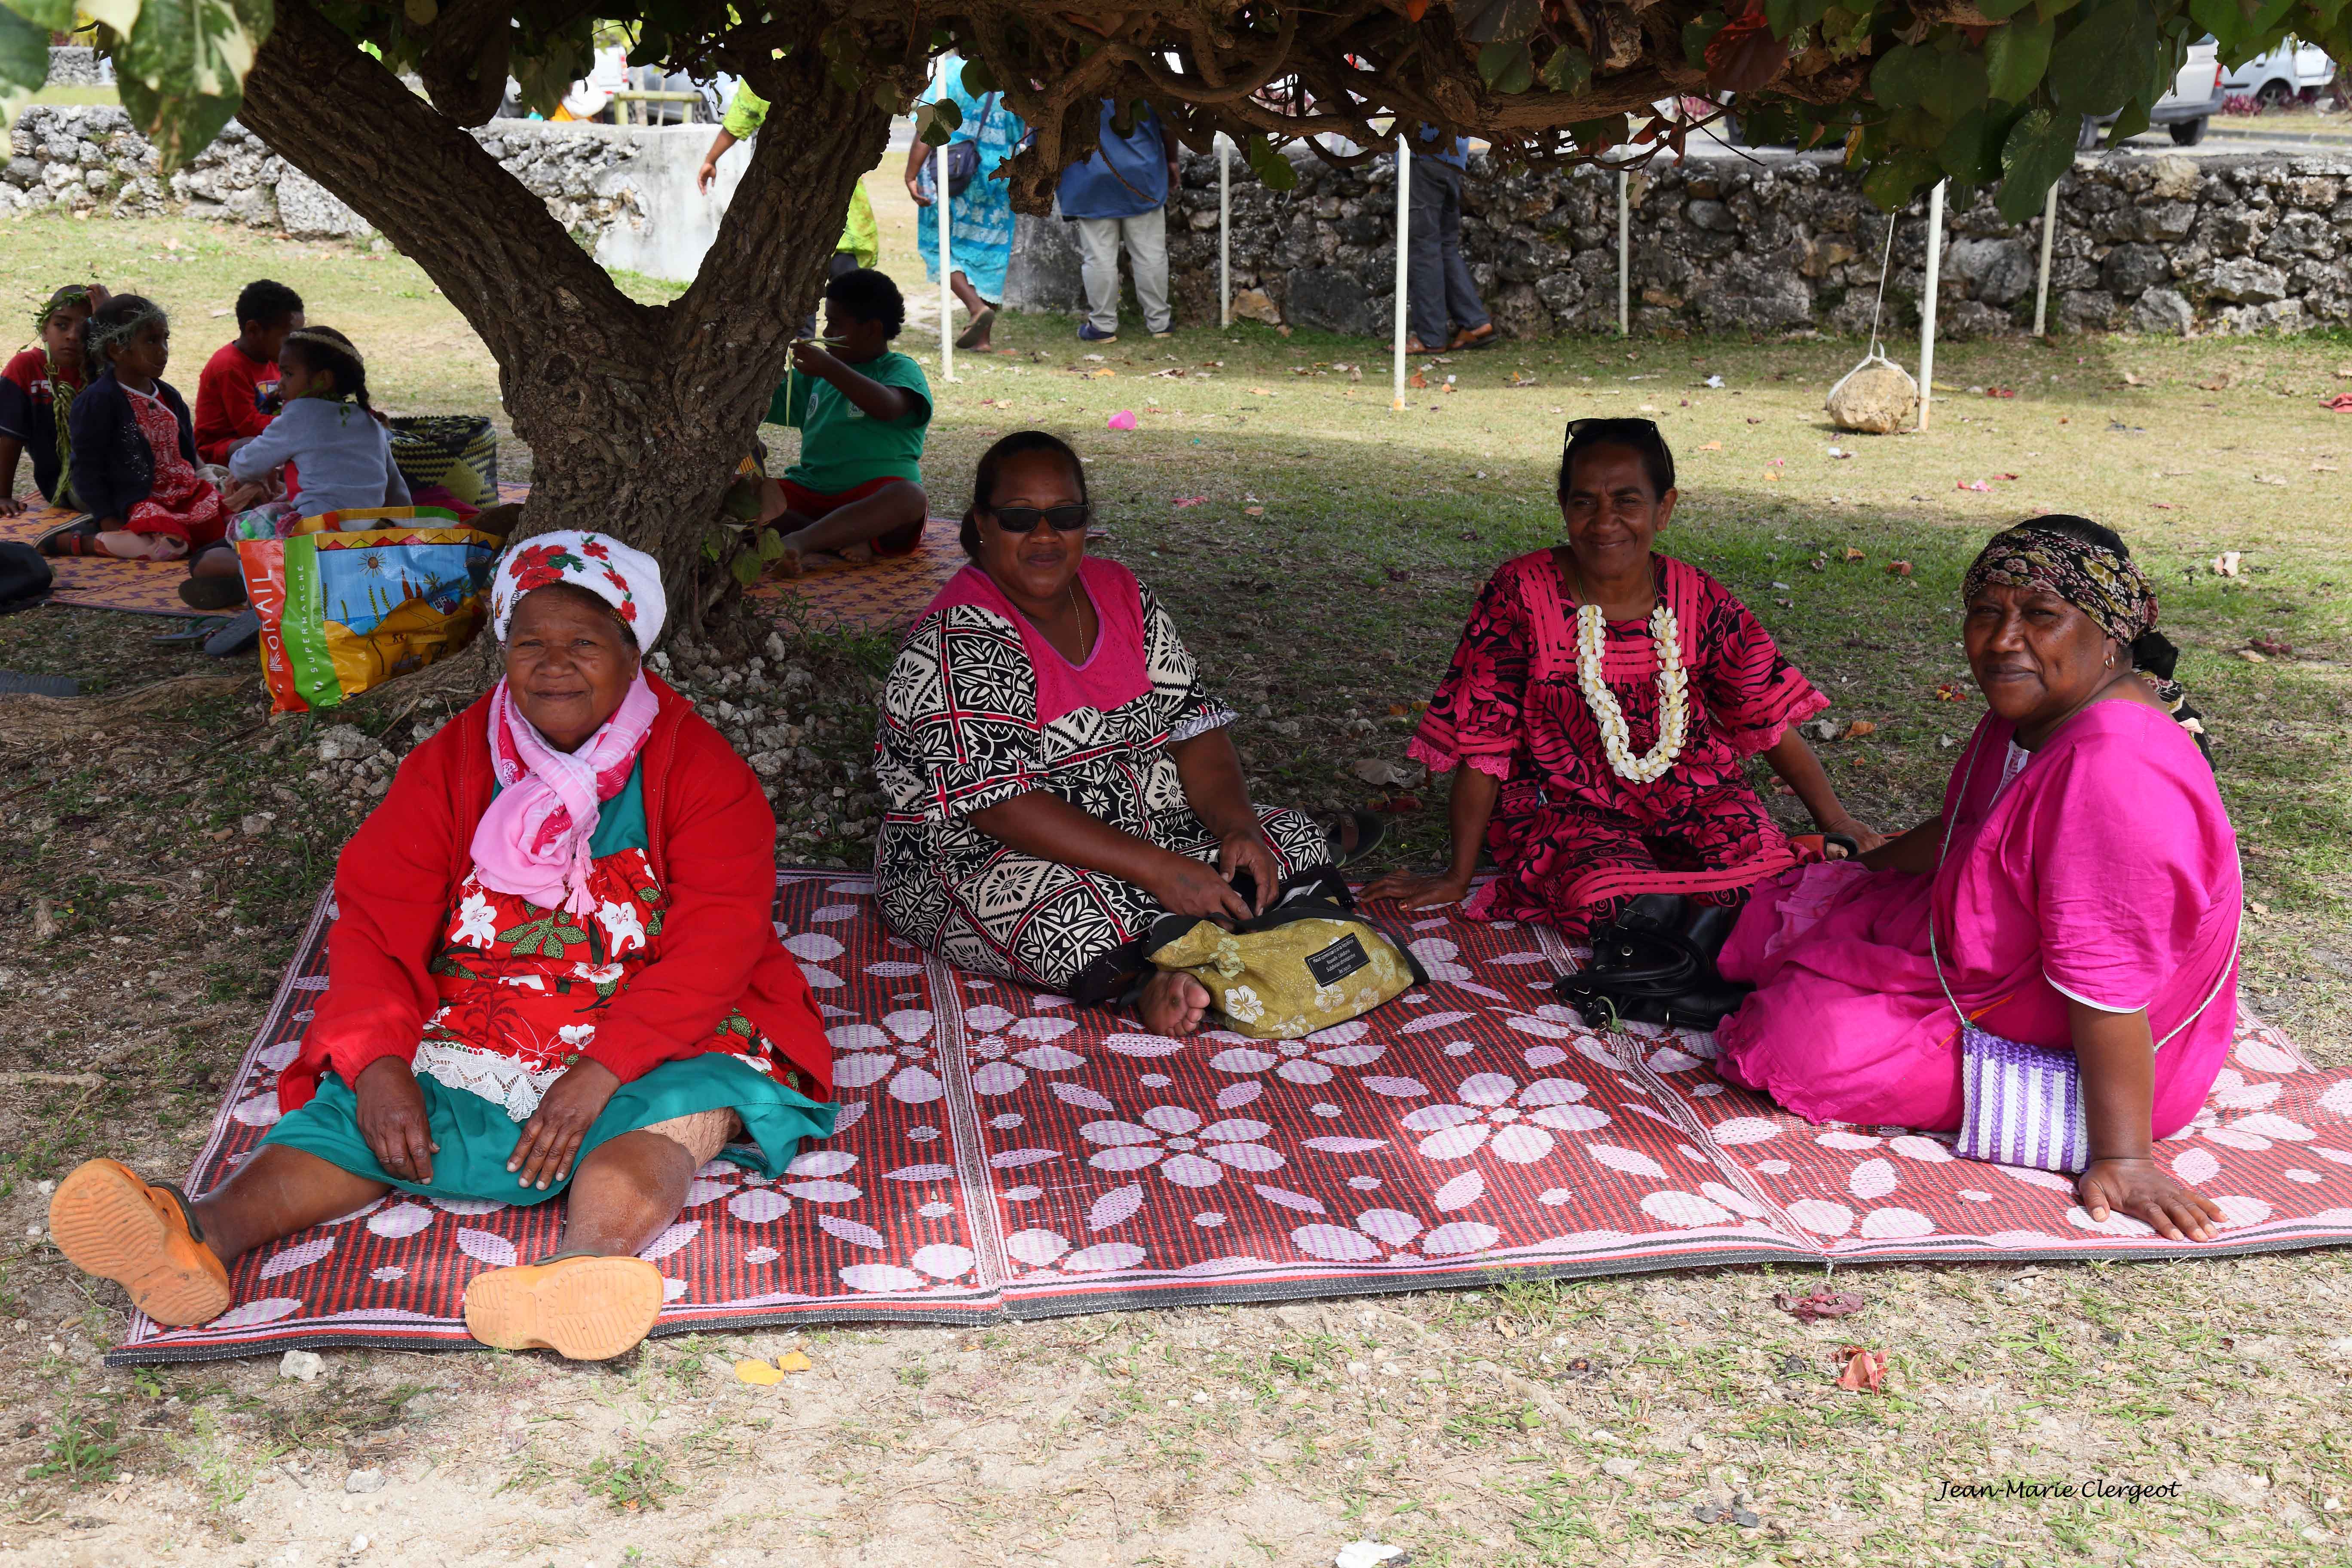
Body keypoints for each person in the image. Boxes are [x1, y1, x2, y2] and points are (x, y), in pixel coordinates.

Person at [48, 531, 839, 1360]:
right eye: (530, 642)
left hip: (660, 1013)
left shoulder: (700, 769)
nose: (554, 665)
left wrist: (601, 1071)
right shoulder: (453, 761)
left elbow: (720, 940)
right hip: (487, 1002)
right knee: (367, 1112)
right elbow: (378, 918)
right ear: (502, 649)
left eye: (584, 643)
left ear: (632, 651)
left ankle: (581, 1269)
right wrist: (379, 1061)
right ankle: (200, 1231)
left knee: (669, 1111)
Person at [1714, 519, 2240, 1243]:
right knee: (1793, 911)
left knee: (1800, 1036)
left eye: (2041, 615)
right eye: (1986, 612)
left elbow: (2107, 987)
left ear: (2110, 634)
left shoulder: (2116, 771)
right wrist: (1849, 877)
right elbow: (1966, 830)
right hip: (1999, 963)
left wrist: (2122, 1155)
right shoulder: (2042, 706)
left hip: (2105, 1052)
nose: (2001, 640)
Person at [874, 430, 1375, 1037]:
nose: (1044, 535)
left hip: (1154, 834)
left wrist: (1236, 826)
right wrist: (1161, 871)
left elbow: (1195, 732)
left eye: (1065, 515)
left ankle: (1212, 950)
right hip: (983, 860)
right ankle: (1153, 983)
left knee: (1285, 838)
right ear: (981, 523)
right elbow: (1002, 808)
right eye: (1018, 518)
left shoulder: (1122, 594)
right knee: (1075, 916)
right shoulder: (961, 638)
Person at [1366, 418, 1879, 940]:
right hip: (1571, 809)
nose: (1604, 521)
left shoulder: (1697, 596)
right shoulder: (1520, 591)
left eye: (1628, 501)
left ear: (1666, 507)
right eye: (1584, 502)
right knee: (1606, 903)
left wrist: (1835, 820)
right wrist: (1458, 875)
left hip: (1703, 799)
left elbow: (1763, 714)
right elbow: (1484, 739)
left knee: (1767, 885)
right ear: (1564, 505)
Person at [181, 326, 413, 610]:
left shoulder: (300, 414)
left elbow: (243, 467)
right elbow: (396, 489)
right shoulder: (370, 421)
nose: (281, 384)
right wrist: (405, 531)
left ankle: (264, 582)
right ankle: (299, 583)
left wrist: (248, 455)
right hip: (365, 540)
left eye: (289, 374)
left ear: (323, 380)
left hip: (314, 538)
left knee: (203, 561)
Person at [751, 268, 931, 576]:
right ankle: (838, 536)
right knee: (750, 498)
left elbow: (888, 407)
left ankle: (803, 541)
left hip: (875, 501)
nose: (825, 330)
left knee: (910, 498)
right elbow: (760, 404)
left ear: (871, 330)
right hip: (811, 493)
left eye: (834, 324)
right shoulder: (814, 379)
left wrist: (830, 368)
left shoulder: (899, 369)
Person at [42, 295, 225, 561]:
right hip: (135, 500)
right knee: (169, 548)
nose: (163, 350)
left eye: (165, 339)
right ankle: (87, 542)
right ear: (117, 350)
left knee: (228, 531)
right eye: (151, 341)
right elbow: (87, 469)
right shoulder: (98, 401)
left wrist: (209, 481)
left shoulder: (169, 396)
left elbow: (186, 450)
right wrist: (108, 521)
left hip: (182, 494)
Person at [695, 84, 881, 282]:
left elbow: (742, 115)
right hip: (836, 177)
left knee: (796, 268)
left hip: (787, 184)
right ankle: (858, 311)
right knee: (842, 260)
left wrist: (711, 160)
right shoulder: (841, 63)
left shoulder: (771, 67)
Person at [904, 55, 1027, 353]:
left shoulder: (950, 73)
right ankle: (982, 339)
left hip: (951, 175)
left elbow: (927, 128)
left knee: (939, 248)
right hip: (998, 175)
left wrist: (910, 174)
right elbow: (1024, 134)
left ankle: (975, 308)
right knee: (990, 254)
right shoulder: (1014, 77)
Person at [1058, 99, 1182, 344]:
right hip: (1142, 174)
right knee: (1151, 254)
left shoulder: (1071, 73)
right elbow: (1171, 122)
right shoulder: (1146, 72)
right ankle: (1160, 323)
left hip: (1089, 174)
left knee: (1099, 256)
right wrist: (1172, 161)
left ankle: (1103, 325)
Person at [0, 282, 104, 516]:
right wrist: (3, 494)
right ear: (44, 330)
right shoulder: (26, 368)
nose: (73, 336)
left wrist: (108, 318)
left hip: (122, 471)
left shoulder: (107, 368)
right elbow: (8, 437)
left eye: (87, 329)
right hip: (68, 485)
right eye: (61, 325)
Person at [1403, 131, 1494, 355]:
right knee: (1444, 245)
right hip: (1454, 159)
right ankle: (1474, 322)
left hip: (1422, 153)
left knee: (1423, 247)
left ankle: (1431, 338)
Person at [194, 279, 303, 464]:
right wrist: (298, 426)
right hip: (221, 448)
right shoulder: (228, 367)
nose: (297, 345)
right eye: (289, 337)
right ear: (253, 330)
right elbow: (248, 425)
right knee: (250, 445)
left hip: (270, 435)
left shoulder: (277, 358)